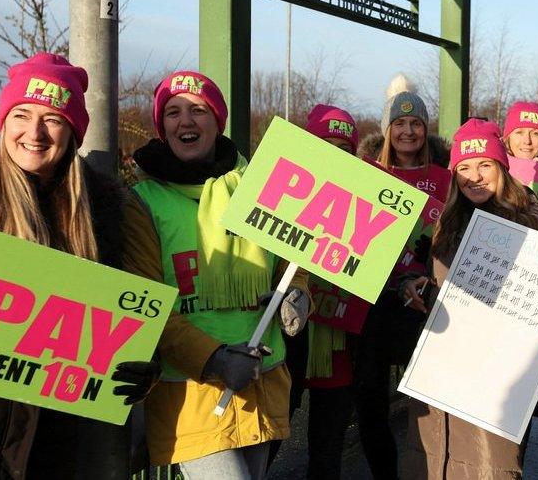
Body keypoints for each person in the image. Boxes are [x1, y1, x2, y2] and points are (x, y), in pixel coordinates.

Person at [0, 52, 159, 478]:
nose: (34, 133)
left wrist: (139, 365)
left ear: (73, 131)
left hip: (46, 453)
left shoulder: (100, 219)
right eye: (22, 114)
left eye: (52, 119)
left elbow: (110, 323)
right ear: (3, 121)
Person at [129, 70, 310, 480]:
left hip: (262, 384)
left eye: (198, 110)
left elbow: (291, 262)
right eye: (172, 112)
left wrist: (298, 295)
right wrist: (213, 359)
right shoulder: (142, 203)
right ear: (162, 127)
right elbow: (146, 305)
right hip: (190, 393)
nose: (185, 120)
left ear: (218, 121)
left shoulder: (262, 187)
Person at [402, 118, 538, 479]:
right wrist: (413, 286)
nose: (475, 176)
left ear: (502, 167)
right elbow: (428, 275)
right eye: (464, 168)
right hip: (439, 376)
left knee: (488, 468)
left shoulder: (532, 221)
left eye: (485, 164)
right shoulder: (445, 223)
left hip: (496, 384)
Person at [353, 74, 451, 479]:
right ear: (387, 130)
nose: (408, 130)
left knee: (425, 405)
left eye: (415, 123)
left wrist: (427, 278)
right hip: (370, 305)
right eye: (399, 123)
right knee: (369, 405)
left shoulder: (446, 180)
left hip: (421, 306)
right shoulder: (367, 174)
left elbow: (453, 242)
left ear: (425, 129)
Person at [296, 104, 362, 479]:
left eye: (345, 149)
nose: (336, 155)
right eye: (327, 144)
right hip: (288, 336)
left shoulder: (365, 203)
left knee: (327, 449)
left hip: (337, 340)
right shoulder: (287, 192)